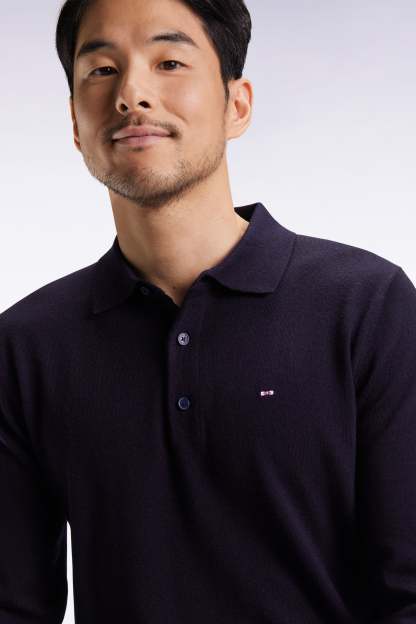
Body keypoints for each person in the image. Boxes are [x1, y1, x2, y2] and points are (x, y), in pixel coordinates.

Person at [1, 0, 415, 622]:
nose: (132, 94)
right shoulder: (26, 345)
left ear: (236, 105)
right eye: (102, 70)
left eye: (169, 62)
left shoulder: (366, 307)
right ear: (76, 123)